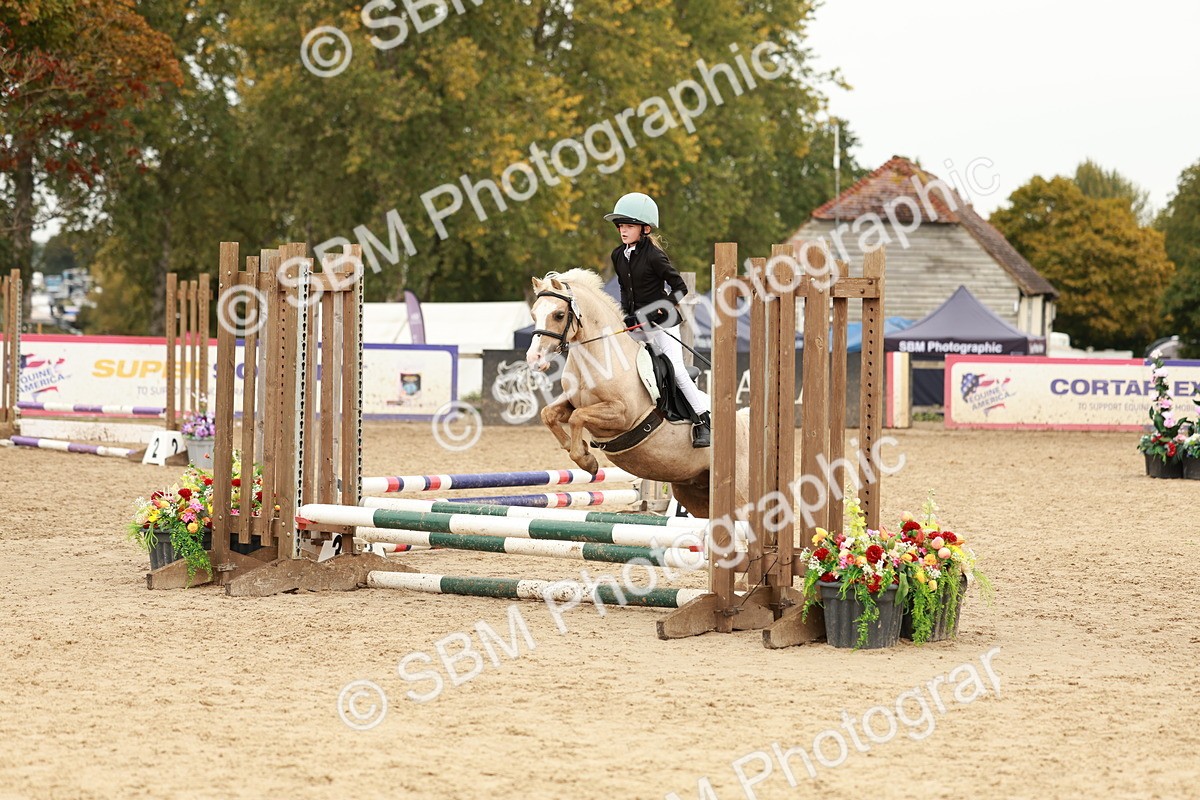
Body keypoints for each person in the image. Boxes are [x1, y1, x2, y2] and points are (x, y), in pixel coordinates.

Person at [604, 192, 711, 448]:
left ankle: (702, 421)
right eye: (621, 226)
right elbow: (624, 288)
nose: (623, 230)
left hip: (663, 322)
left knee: (676, 370)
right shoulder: (618, 255)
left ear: (645, 228)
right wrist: (626, 314)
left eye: (629, 226)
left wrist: (658, 311)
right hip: (638, 323)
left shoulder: (654, 256)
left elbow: (679, 288)